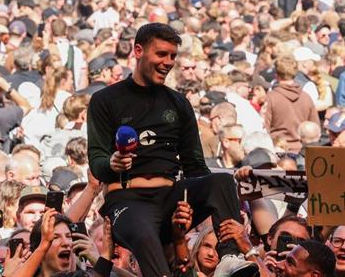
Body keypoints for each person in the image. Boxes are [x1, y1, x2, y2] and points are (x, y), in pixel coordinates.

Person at [87, 23, 253, 276]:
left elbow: (195, 166)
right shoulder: (105, 100)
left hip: (170, 198)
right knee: (144, 235)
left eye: (173, 56)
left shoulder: (178, 103)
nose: (168, 62)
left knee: (221, 182)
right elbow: (96, 161)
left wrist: (207, 199)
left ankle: (229, 256)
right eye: (161, 54)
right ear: (139, 51)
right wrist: (112, 163)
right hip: (127, 202)